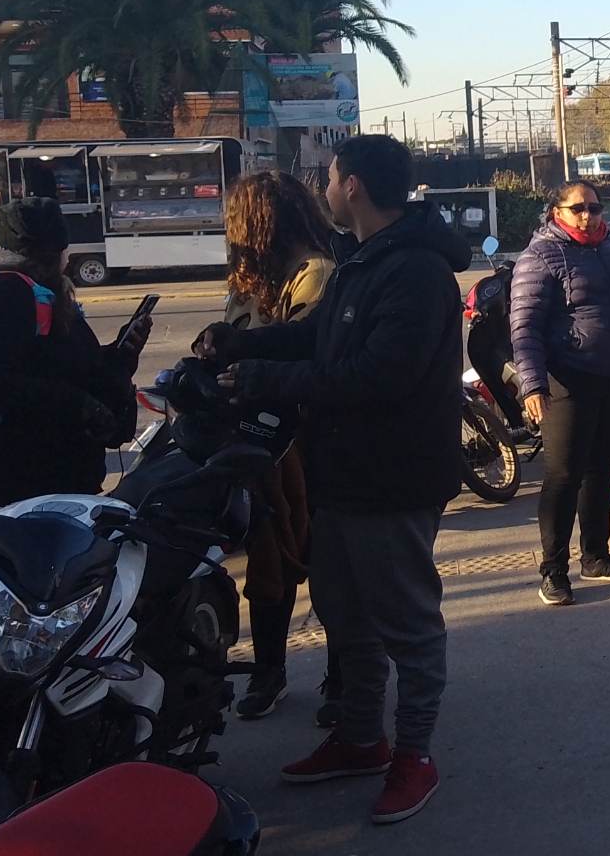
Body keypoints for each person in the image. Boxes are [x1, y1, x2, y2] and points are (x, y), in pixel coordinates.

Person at [199, 134, 466, 826]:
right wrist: (244, 342)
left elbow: (376, 375)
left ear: (352, 186)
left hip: (393, 477)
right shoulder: (361, 260)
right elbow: (321, 338)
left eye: (330, 176)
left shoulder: (413, 270)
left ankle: (414, 756)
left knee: (407, 623)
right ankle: (358, 738)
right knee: (346, 618)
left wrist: (263, 379)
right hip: (342, 472)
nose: (322, 187)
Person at [221, 171, 337, 721]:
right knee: (268, 565)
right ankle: (269, 670)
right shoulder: (248, 281)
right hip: (257, 444)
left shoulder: (314, 275)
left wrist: (244, 365)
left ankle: (342, 679)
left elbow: (305, 355)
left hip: (308, 443)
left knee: (324, 561)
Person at [512, 180, 610, 607]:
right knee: (563, 476)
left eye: (594, 208)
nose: (588, 216)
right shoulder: (541, 255)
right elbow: (524, 327)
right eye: (578, 209)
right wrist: (533, 385)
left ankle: (596, 557)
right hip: (569, 379)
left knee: (601, 469)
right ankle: (554, 570)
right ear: (557, 211)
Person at [0, 198, 146, 504]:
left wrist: (121, 355)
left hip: (51, 473)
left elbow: (57, 364)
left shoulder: (41, 292)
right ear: (54, 250)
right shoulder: (6, 293)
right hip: (21, 480)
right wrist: (78, 403)